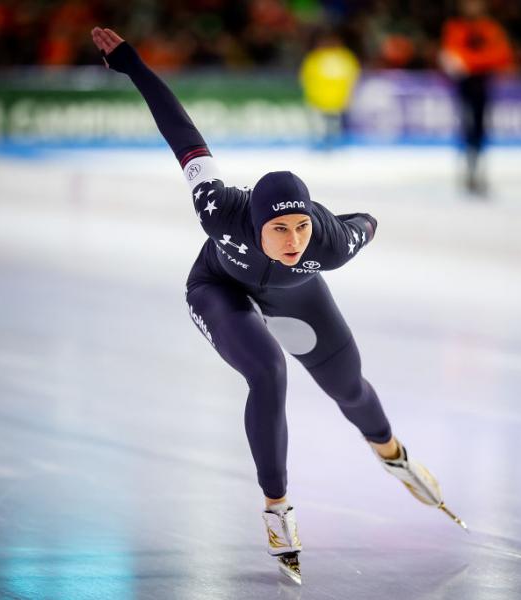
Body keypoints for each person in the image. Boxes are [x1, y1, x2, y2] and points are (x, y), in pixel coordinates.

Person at [90, 27, 446, 584]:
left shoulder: (328, 243)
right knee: (269, 372)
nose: (293, 239)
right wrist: (133, 64)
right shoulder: (219, 208)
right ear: (254, 224)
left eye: (301, 226)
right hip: (219, 289)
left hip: (294, 297)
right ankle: (277, 509)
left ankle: (393, 452)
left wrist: (356, 226)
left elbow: (367, 223)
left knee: (348, 387)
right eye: (279, 228)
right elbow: (181, 129)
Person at [440, 0, 514, 194]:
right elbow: (450, 55)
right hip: (464, 86)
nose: (471, 7)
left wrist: (469, 63)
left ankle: (478, 171)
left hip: (481, 85)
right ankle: (467, 171)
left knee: (480, 129)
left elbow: (501, 55)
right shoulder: (455, 27)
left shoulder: (490, 29)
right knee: (466, 128)